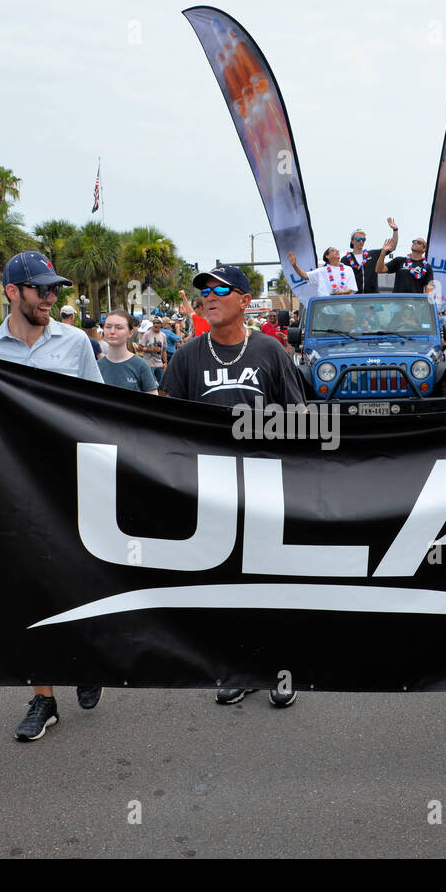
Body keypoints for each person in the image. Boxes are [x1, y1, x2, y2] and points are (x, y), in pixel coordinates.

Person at [0, 251, 105, 741]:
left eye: (55, 290)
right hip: (15, 488)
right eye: (41, 289)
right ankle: (43, 699)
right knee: (28, 590)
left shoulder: (76, 344)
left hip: (73, 482)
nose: (51, 297)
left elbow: (97, 410)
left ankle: (88, 657)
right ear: (12, 292)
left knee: (79, 578)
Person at [161, 264, 306, 708]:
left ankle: (281, 668)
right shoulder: (187, 356)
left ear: (245, 300)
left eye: (220, 289)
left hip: (265, 486)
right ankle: (240, 667)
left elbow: (299, 418)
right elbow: (163, 424)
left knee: (271, 580)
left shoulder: (269, 351)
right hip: (212, 489)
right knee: (227, 583)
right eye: (203, 289)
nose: (209, 295)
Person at [98, 310, 159, 394]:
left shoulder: (141, 365)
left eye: (119, 327)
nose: (112, 331)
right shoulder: (97, 366)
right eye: (108, 327)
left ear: (130, 333)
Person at [342, 219, 397, 294]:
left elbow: (392, 247)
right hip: (354, 298)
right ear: (352, 241)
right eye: (358, 239)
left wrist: (395, 230)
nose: (361, 242)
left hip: (372, 297)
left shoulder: (372, 254)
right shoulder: (345, 259)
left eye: (363, 239)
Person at [289, 248, 355, 298]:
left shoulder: (348, 269)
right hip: (326, 309)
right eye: (333, 250)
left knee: (349, 312)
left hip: (344, 307)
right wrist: (294, 265)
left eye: (337, 250)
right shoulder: (321, 271)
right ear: (327, 256)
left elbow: (351, 289)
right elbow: (305, 275)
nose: (337, 251)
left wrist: (341, 293)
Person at [135, 313, 167, 384]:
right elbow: (139, 348)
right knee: (150, 384)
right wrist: (151, 350)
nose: (156, 324)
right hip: (149, 364)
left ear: (161, 324)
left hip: (159, 364)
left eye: (158, 323)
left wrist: (165, 363)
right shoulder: (147, 334)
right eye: (154, 323)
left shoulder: (163, 335)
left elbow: (164, 350)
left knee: (163, 385)